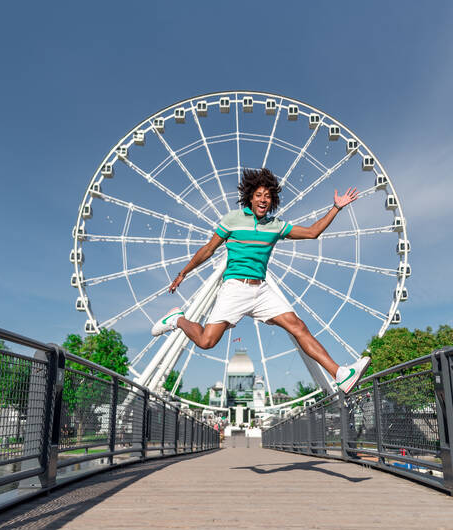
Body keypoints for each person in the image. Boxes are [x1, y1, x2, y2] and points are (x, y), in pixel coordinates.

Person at [151, 168, 371, 394]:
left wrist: (336, 208)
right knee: (207, 342)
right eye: (258, 195)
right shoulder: (232, 220)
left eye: (267, 196)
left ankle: (340, 375)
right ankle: (178, 319)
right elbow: (208, 250)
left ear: (272, 200)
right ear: (250, 197)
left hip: (262, 290)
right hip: (235, 287)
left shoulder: (275, 225)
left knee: (298, 327)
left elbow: (312, 232)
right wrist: (183, 273)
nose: (263, 199)